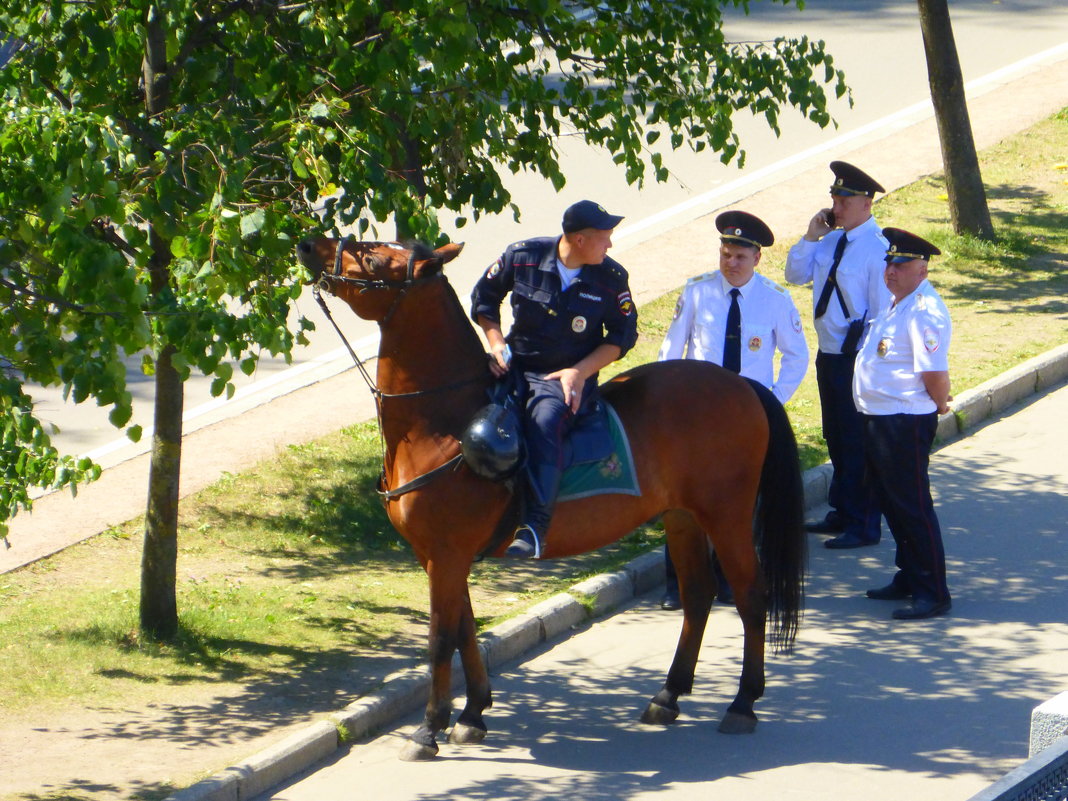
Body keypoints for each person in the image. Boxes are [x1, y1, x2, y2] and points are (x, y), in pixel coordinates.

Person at [656, 210, 808, 610]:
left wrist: (771, 403)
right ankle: (679, 585)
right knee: (682, 500)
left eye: (740, 257)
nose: (730, 263)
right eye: (725, 254)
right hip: (697, 416)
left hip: (745, 420)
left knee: (738, 502)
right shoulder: (697, 292)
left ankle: (727, 578)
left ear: (757, 259)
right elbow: (672, 348)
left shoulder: (775, 300)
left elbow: (796, 357)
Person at [470, 200, 639, 559]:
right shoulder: (523, 257)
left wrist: (580, 373)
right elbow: (484, 298)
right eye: (605, 237)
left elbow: (623, 336)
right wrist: (496, 344)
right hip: (514, 366)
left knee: (544, 423)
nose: (609, 245)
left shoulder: (610, 279)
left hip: (562, 376)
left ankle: (534, 527)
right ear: (579, 240)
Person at [785, 160, 888, 549]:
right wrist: (811, 236)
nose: (836, 205)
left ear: (866, 203)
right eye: (834, 197)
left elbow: (880, 313)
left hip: (856, 357)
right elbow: (795, 274)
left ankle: (863, 523)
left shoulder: (877, 251)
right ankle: (843, 510)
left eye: (844, 199)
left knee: (857, 440)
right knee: (836, 435)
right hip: (829, 354)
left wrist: (869, 364)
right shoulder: (828, 241)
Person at [853, 227, 952, 620]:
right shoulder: (899, 302)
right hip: (880, 420)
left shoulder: (925, 311)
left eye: (901, 264)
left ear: (922, 270)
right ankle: (909, 576)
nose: (891, 271)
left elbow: (934, 374)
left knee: (912, 506)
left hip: (903, 423)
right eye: (889, 263)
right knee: (893, 505)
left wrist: (941, 402)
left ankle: (933, 590)